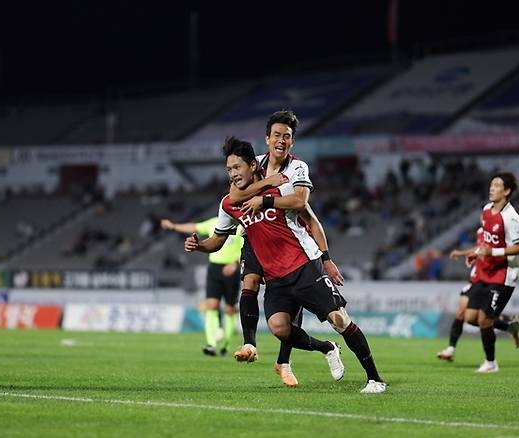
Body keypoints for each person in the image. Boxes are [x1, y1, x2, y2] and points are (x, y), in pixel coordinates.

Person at [186, 136, 386, 393]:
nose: (233, 174)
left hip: (303, 266)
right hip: (276, 278)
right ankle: (325, 348)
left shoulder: (280, 191)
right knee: (279, 328)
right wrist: (199, 246)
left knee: (339, 319)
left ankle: (375, 379)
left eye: (237, 168)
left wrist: (326, 259)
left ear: (253, 165)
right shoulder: (229, 204)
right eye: (228, 169)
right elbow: (216, 242)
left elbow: (308, 215)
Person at [226, 110, 344, 388]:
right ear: (267, 139)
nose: (281, 140)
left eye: (287, 136)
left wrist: (326, 257)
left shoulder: (297, 169)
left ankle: (285, 361)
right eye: (276, 135)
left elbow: (304, 209)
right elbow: (234, 195)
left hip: (286, 242)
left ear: (292, 141)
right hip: (256, 238)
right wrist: (267, 184)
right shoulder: (253, 164)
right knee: (250, 282)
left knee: (291, 306)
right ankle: (249, 344)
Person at [464, 172, 519, 373]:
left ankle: (491, 363)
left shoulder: (511, 217)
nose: (491, 188)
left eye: (497, 185)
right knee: (470, 317)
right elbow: (486, 240)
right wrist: (477, 253)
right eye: (491, 184)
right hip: (486, 270)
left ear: (507, 191)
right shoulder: (486, 210)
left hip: (504, 273)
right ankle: (510, 326)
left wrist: (494, 251)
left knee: (485, 320)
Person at [437, 227, 519, 362]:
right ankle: (450, 349)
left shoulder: (501, 232)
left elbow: (496, 251)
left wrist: (462, 253)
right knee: (466, 316)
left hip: (490, 280)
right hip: (476, 280)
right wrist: (464, 254)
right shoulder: (481, 231)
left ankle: (507, 330)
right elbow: (479, 249)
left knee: (474, 317)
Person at [160, 217, 243, 357]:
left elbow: (244, 247)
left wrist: (235, 263)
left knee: (229, 309)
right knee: (211, 305)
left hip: (232, 270)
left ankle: (225, 345)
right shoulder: (214, 222)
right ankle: (211, 344)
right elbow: (194, 227)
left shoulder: (240, 226)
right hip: (214, 269)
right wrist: (173, 226)